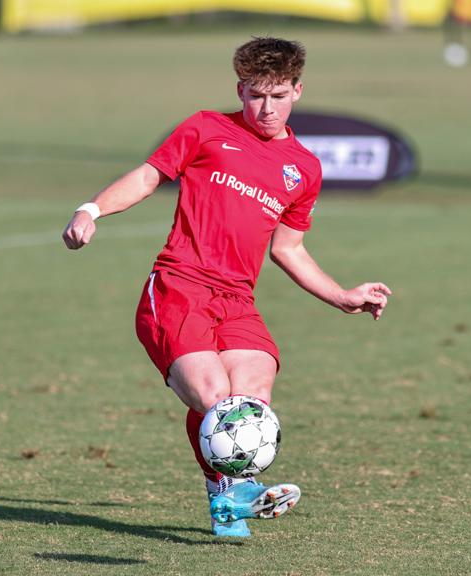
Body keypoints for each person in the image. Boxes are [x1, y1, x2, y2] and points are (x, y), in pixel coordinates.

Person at [61, 37, 391, 538]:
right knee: (214, 396)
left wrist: (342, 296)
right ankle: (232, 492)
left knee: (252, 399)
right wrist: (91, 210)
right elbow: (148, 177)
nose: (267, 108)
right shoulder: (206, 128)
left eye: (278, 96)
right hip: (179, 287)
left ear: (297, 91)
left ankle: (229, 497)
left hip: (237, 301)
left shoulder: (304, 168)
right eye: (256, 95)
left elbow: (289, 249)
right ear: (240, 90)